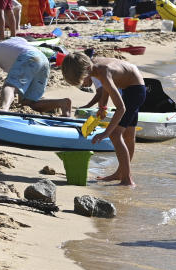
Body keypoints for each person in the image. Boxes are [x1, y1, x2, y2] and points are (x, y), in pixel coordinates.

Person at [61, 51, 146, 186]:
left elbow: (121, 108)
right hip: (132, 84)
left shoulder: (102, 72)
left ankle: (127, 179)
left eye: (83, 80)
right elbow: (107, 86)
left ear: (87, 70)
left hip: (135, 90)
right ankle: (121, 173)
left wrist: (106, 133)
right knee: (129, 135)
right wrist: (103, 106)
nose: (83, 85)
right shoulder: (95, 66)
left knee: (115, 134)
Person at [0, 36, 71, 115]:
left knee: (9, 86)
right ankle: (62, 103)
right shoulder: (17, 41)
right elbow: (24, 73)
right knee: (28, 103)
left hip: (29, 57)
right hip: (44, 60)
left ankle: (4, 108)